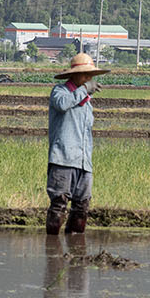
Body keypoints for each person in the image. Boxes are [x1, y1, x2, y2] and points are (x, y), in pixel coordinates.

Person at [46, 50, 109, 235]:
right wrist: (84, 90)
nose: (89, 78)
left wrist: (84, 93)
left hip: (83, 161)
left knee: (82, 207)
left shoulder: (87, 103)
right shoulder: (60, 91)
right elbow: (63, 104)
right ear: (74, 75)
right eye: (85, 74)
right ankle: (53, 252)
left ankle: (76, 252)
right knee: (59, 204)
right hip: (63, 159)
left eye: (91, 75)